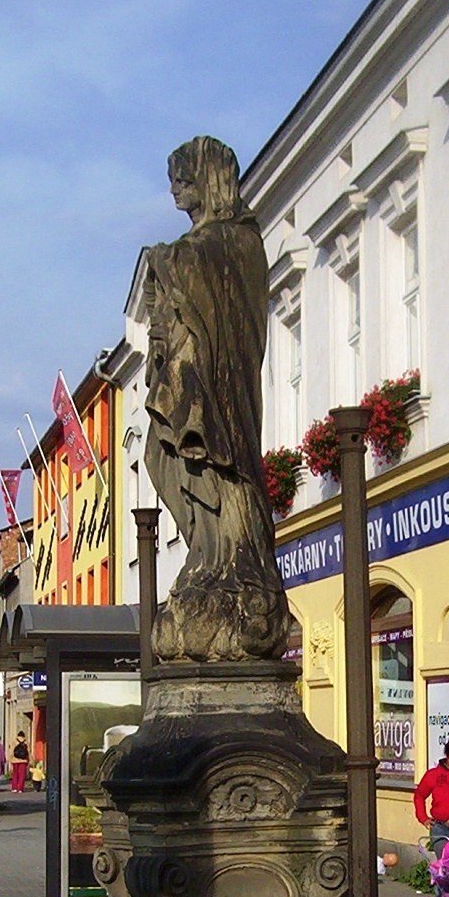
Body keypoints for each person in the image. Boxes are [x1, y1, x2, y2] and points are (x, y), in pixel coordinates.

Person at [143, 136, 290, 663]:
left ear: (210, 180)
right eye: (172, 183)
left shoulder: (238, 241)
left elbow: (229, 312)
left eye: (184, 180)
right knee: (167, 458)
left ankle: (239, 563)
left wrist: (170, 260)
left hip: (224, 394)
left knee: (222, 467)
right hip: (191, 380)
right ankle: (206, 558)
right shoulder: (203, 244)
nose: (176, 192)